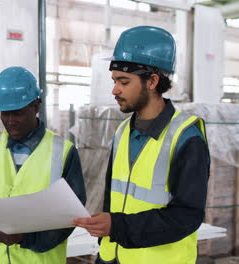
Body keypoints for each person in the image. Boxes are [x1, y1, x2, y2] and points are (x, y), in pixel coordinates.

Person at [72, 26, 210, 264]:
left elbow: (186, 216)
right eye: (114, 81)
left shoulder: (186, 137)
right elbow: (111, 197)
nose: (115, 90)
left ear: (152, 81)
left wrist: (117, 226)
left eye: (124, 81)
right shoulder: (122, 131)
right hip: (112, 256)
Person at [0, 66, 86, 264]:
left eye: (17, 113)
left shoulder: (64, 153)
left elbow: (71, 215)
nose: (10, 121)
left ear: (36, 106)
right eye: (5, 113)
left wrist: (25, 238)